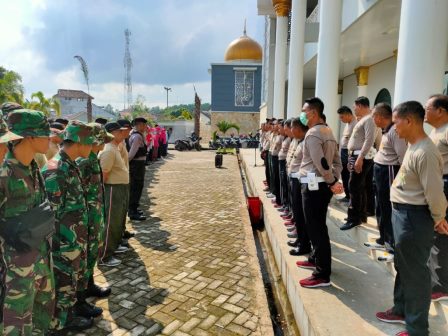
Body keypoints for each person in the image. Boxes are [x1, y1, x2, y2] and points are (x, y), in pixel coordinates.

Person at [376, 101, 448, 336]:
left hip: (414, 218)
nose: (394, 127)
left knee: (415, 273)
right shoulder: (413, 146)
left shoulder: (425, 152)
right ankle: (401, 310)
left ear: (408, 121)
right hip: (403, 214)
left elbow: (435, 192)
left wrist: (439, 217)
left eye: (396, 122)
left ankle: (417, 328)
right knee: (403, 266)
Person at [0, 110, 56, 335]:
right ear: (30, 137)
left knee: (41, 315)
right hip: (16, 270)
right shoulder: (5, 174)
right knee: (17, 324)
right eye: (45, 134)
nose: (50, 140)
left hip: (40, 257)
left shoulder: (32, 167)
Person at [42, 121, 95, 332]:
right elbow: (50, 214)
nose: (93, 147)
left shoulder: (70, 164)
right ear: (80, 142)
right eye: (90, 142)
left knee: (71, 282)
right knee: (63, 283)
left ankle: (69, 314)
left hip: (74, 239)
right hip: (62, 243)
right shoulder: (57, 169)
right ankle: (60, 324)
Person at [295, 97, 343, 288]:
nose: (302, 114)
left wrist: (331, 181)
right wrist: (333, 179)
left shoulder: (313, 134)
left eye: (304, 111)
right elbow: (337, 161)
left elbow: (320, 162)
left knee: (316, 228)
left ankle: (322, 274)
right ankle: (316, 258)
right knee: (317, 225)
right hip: (322, 185)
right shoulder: (328, 131)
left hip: (314, 186)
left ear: (313, 113)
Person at [76, 123, 113, 304]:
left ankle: (89, 285)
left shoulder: (93, 158)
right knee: (84, 257)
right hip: (86, 218)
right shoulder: (83, 161)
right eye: (103, 140)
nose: (105, 143)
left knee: (92, 254)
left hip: (95, 215)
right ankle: (81, 296)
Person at [364, 103, 406, 262]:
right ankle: (383, 239)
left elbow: (402, 158)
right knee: (380, 206)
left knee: (388, 208)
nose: (372, 119)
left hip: (389, 171)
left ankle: (391, 247)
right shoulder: (386, 131)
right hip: (380, 170)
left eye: (374, 115)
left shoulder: (395, 131)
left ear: (380, 116)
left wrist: (400, 182)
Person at [425, 94, 448, 302]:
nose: (425, 112)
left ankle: (441, 285)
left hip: (445, 187)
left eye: (428, 108)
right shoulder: (435, 130)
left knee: (442, 234)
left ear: (440, 110)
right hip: (437, 186)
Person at [341, 96, 376, 230]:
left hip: (360, 157)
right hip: (356, 156)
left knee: (354, 187)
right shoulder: (364, 119)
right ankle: (360, 215)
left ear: (360, 106)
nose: (354, 109)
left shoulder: (368, 120)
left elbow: (369, 140)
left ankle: (353, 218)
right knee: (359, 187)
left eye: (355, 107)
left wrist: (360, 158)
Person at [98, 122, 130, 267]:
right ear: (111, 133)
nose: (122, 134)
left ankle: (113, 248)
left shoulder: (115, 148)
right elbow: (104, 174)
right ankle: (104, 256)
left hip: (119, 188)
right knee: (111, 223)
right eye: (119, 132)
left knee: (117, 221)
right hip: (112, 189)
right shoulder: (109, 150)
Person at [288, 117, 311, 256]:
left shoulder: (306, 143)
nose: (291, 130)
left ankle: (304, 245)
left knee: (301, 214)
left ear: (297, 128)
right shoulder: (300, 142)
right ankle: (300, 240)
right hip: (295, 179)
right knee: (297, 213)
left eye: (292, 127)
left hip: (300, 180)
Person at [127, 117, 148, 221]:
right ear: (139, 125)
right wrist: (127, 163)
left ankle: (134, 208)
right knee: (136, 187)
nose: (145, 127)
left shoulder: (136, 135)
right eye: (144, 125)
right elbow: (131, 154)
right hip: (137, 165)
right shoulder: (137, 137)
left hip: (138, 164)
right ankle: (132, 211)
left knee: (137, 186)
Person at [337, 106, 357, 202]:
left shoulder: (355, 123)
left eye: (342, 117)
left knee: (349, 175)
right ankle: (347, 195)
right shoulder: (348, 123)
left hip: (349, 152)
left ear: (348, 115)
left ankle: (351, 197)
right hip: (343, 151)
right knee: (344, 174)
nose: (341, 119)